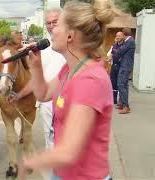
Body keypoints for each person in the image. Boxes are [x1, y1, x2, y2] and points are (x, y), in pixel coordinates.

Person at [18, 0, 117, 179]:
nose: (52, 31)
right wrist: (36, 66)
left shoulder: (90, 80)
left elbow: (68, 153)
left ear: (70, 36)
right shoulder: (69, 68)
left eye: (57, 25)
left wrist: (30, 161)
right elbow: (44, 94)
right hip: (63, 173)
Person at [9, 9, 65, 149]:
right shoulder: (44, 48)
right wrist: (19, 95)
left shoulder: (71, 47)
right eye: (48, 23)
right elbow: (37, 81)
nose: (51, 26)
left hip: (67, 104)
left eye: (55, 22)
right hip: (47, 105)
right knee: (51, 142)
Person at [112, 28, 135, 114]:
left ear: (124, 34)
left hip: (125, 66)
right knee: (124, 85)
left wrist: (114, 50)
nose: (120, 37)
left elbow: (119, 52)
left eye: (121, 35)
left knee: (121, 85)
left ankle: (126, 106)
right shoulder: (129, 41)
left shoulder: (129, 42)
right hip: (125, 65)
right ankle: (122, 103)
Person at [108, 31, 124, 104]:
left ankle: (121, 99)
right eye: (117, 35)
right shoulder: (114, 45)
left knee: (120, 83)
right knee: (113, 82)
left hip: (121, 67)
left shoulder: (124, 46)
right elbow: (111, 55)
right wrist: (108, 59)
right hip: (114, 66)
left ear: (123, 37)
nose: (118, 37)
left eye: (119, 36)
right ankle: (114, 99)